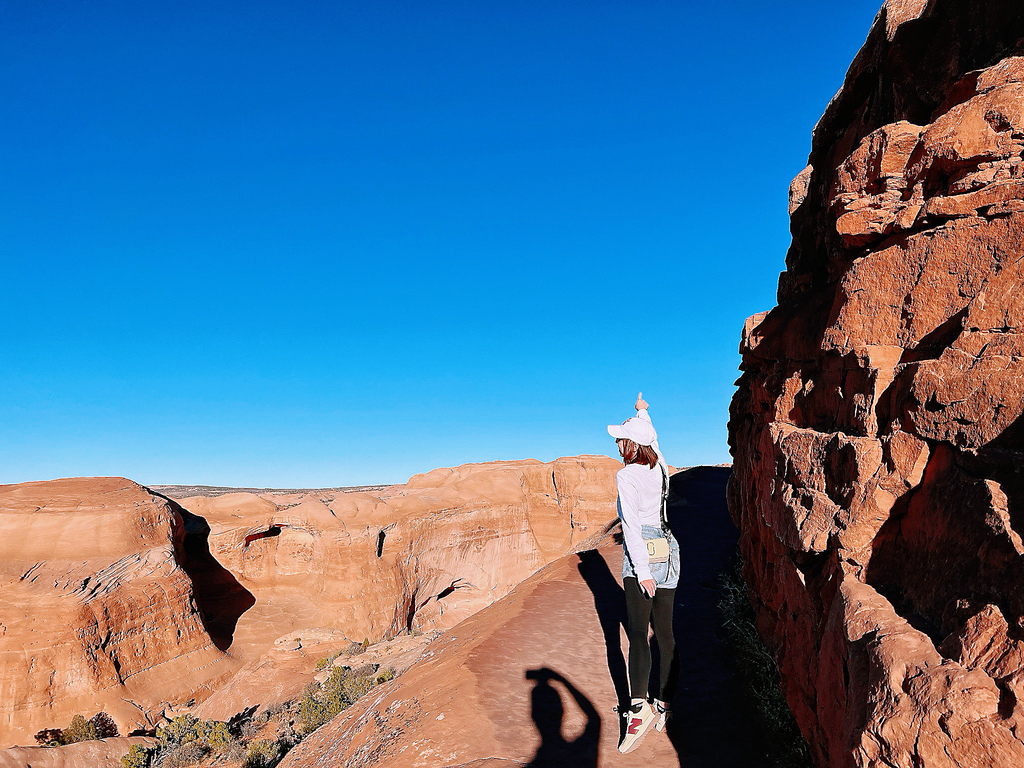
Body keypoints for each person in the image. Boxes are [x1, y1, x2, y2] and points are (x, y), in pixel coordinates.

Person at [607, 392, 679, 753]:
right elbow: (653, 437)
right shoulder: (661, 464)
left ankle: (638, 712)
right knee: (664, 632)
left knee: (637, 633)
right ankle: (665, 704)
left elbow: (631, 527)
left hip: (643, 554)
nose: (617, 444)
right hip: (669, 547)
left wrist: (641, 570)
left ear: (632, 446)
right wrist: (642, 412)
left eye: (621, 439)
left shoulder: (626, 476)